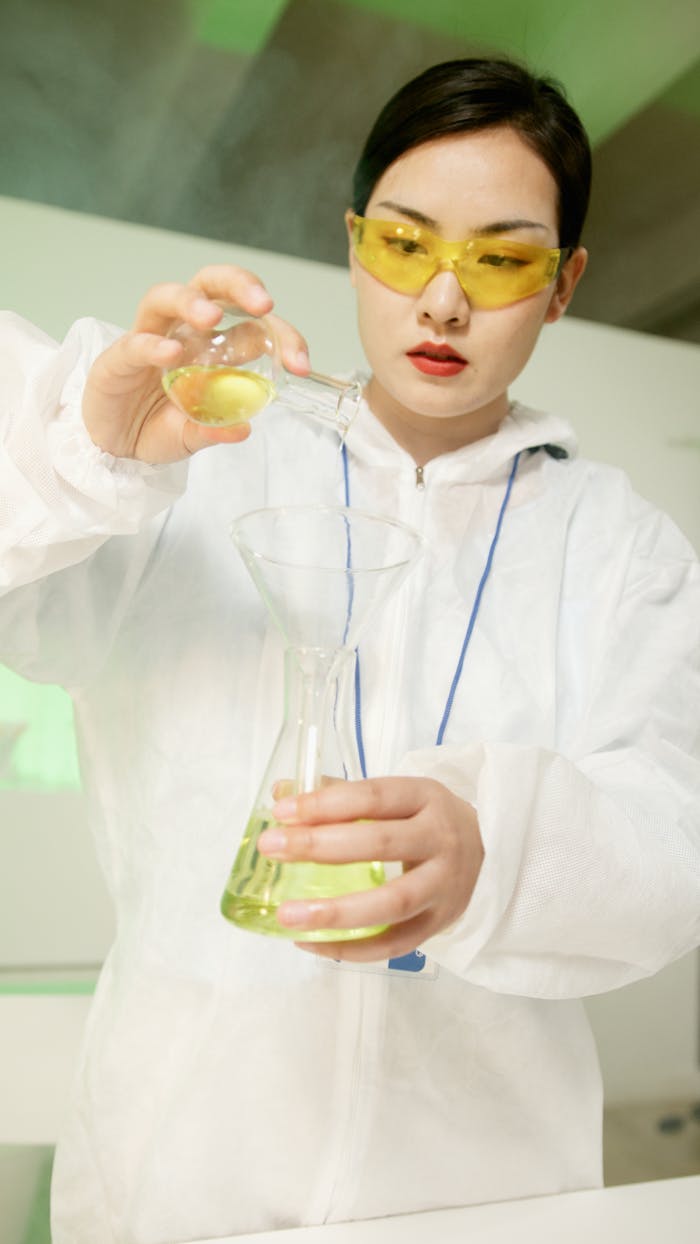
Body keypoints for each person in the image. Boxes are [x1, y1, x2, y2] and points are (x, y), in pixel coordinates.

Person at [1, 56, 699, 1244]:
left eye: (500, 257)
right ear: (352, 238)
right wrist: (87, 455)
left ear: (565, 282)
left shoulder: (619, 547)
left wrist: (498, 847)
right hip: (180, 1185)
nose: (441, 300)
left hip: (486, 1201)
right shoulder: (195, 460)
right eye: (404, 242)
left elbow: (677, 826)